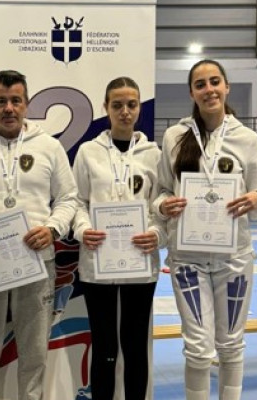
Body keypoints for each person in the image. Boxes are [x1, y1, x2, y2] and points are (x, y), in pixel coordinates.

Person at [0, 70, 78, 400]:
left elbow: (68, 199)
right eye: (1, 101)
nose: (8, 108)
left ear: (26, 104)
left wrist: (52, 229)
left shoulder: (49, 147)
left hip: (36, 263)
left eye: (15, 101)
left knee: (34, 356)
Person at [154, 59, 257, 400]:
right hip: (187, 259)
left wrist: (256, 198)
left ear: (226, 87)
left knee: (231, 345)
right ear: (192, 93)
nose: (209, 89)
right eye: (201, 84)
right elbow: (160, 192)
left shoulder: (247, 139)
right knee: (197, 348)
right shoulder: (174, 136)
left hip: (234, 259)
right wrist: (164, 205)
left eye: (215, 81)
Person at [72, 77, 165, 400]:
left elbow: (160, 205)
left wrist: (156, 234)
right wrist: (83, 230)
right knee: (105, 346)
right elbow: (77, 202)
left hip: (141, 264)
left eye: (131, 104)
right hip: (98, 264)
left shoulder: (154, 154)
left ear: (139, 108)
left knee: (136, 345)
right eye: (117, 105)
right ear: (106, 108)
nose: (125, 111)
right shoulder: (88, 152)